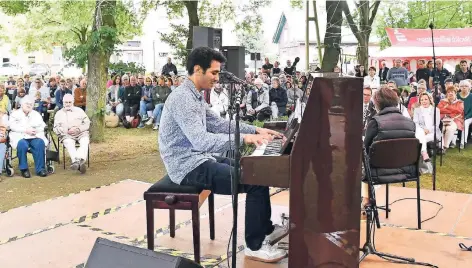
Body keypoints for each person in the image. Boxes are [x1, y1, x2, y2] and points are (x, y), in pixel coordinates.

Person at [158, 47, 287, 263]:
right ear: (197, 69)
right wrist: (243, 139)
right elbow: (201, 140)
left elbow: (218, 123)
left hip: (200, 158)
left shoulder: (195, 95)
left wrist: (255, 130)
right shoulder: (182, 98)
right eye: (214, 73)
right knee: (254, 180)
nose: (217, 79)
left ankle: (264, 230)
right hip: (187, 166)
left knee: (259, 171)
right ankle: (254, 246)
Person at [363, 86, 417, 206]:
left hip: (378, 172)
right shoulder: (411, 123)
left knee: (360, 162)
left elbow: (365, 150)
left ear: (377, 103)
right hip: (406, 170)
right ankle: (366, 200)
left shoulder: (374, 122)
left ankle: (365, 200)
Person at [9, 96, 48, 178]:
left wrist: (36, 130)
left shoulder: (36, 114)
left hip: (34, 136)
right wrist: (25, 130)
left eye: (31, 104)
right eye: (27, 103)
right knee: (22, 145)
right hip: (20, 136)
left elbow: (42, 126)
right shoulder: (15, 114)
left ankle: (40, 169)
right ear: (22, 104)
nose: (29, 105)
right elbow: (12, 126)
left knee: (40, 143)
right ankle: (24, 169)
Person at [54, 94, 90, 173]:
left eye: (70, 102)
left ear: (73, 102)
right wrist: (64, 130)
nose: (68, 104)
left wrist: (78, 129)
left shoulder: (79, 111)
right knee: (69, 142)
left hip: (81, 132)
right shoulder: (58, 113)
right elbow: (55, 128)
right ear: (63, 103)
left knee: (85, 141)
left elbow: (87, 122)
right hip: (67, 135)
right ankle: (80, 162)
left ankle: (76, 162)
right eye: (66, 102)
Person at [438, 86, 464, 152]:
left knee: (449, 128)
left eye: (452, 92)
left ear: (455, 93)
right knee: (441, 128)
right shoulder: (442, 101)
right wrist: (451, 110)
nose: (450, 93)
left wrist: (446, 108)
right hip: (443, 119)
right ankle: (439, 146)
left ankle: (444, 147)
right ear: (446, 94)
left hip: (455, 120)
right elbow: (439, 110)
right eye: (448, 92)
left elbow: (459, 110)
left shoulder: (460, 102)